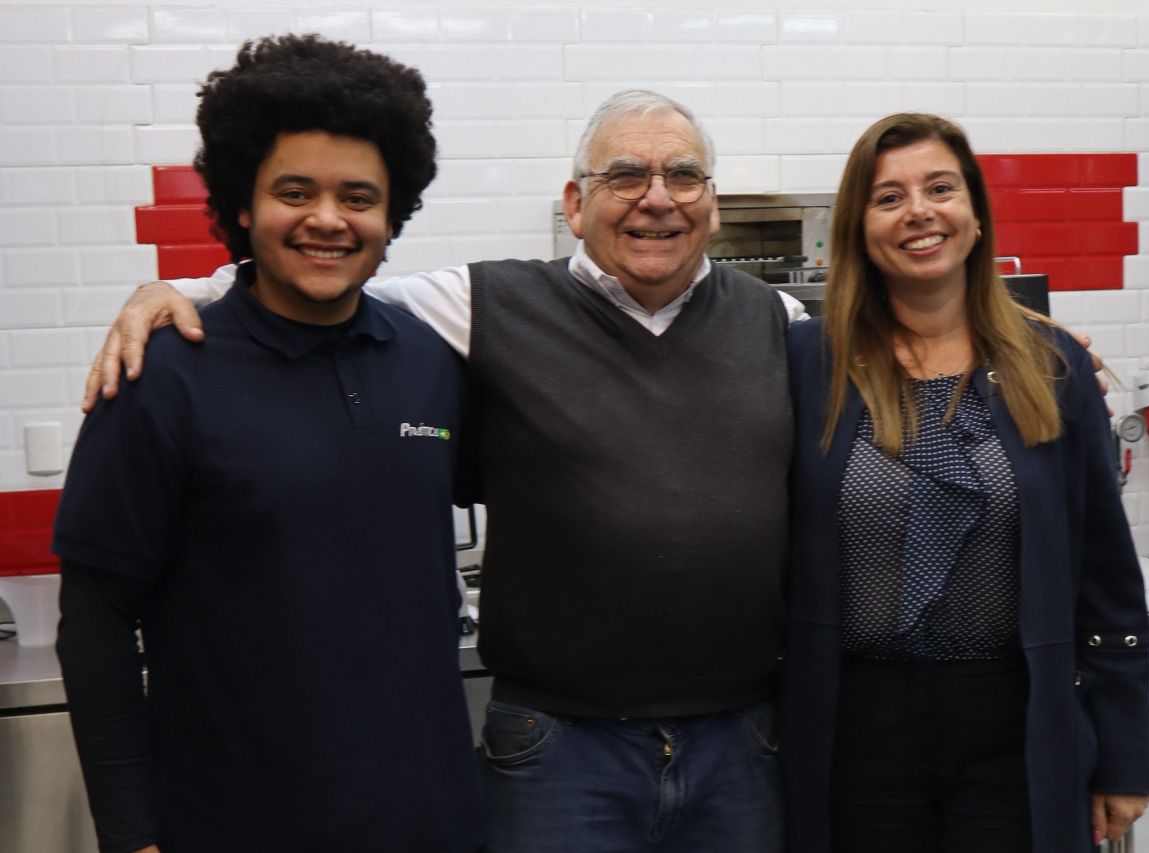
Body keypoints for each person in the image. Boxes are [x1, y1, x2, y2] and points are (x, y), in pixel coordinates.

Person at [77, 89, 794, 853]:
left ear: (712, 204)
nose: (656, 198)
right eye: (625, 175)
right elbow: (327, 284)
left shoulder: (780, 322)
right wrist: (172, 293)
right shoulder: (485, 303)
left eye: (683, 175)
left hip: (741, 741)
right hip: (560, 749)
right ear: (576, 203)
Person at [53, 35, 483, 853]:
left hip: (431, 818)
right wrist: (131, 835)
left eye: (358, 196)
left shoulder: (430, 362)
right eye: (295, 191)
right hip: (234, 821)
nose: (327, 218)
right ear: (243, 205)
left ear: (392, 215)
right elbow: (97, 622)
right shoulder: (163, 374)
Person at [781, 112, 1149, 853]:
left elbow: (1107, 576)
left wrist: (1123, 752)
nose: (919, 212)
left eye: (940, 188)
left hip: (1016, 729)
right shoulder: (803, 363)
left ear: (976, 215)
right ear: (859, 227)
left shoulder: (1050, 365)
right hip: (856, 730)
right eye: (889, 197)